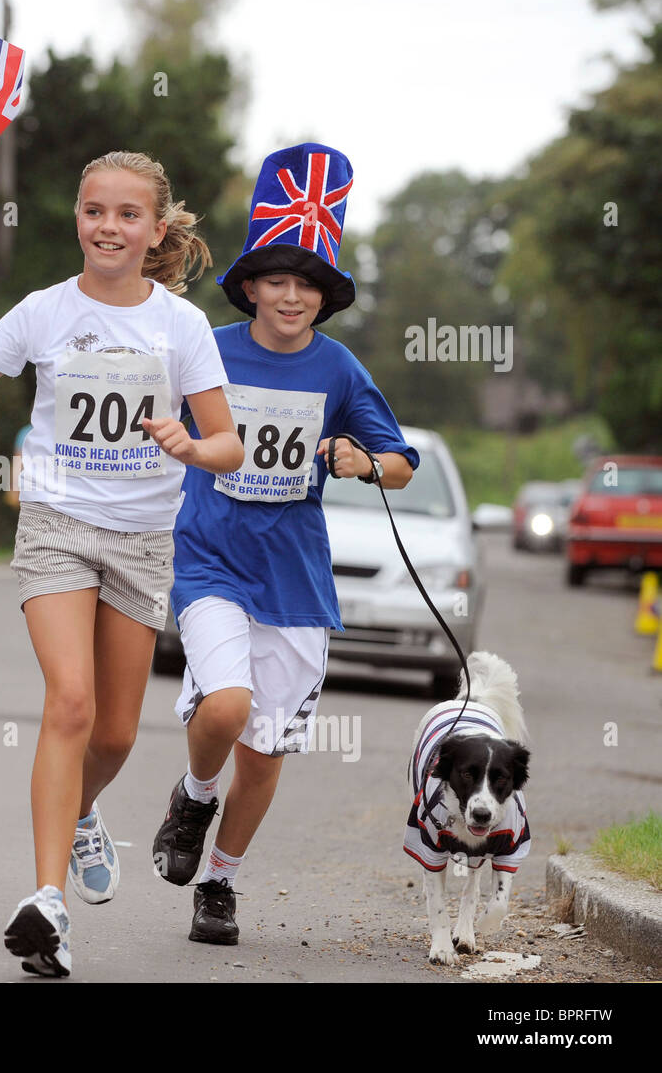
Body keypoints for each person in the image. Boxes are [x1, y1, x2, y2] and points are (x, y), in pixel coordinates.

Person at [0, 150, 243, 977]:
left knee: (113, 733)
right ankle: (49, 904)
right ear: (76, 217)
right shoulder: (43, 312)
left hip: (144, 541)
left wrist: (192, 443)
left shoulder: (180, 326)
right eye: (94, 211)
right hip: (56, 528)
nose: (108, 227)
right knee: (70, 703)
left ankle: (82, 815)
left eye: (127, 214)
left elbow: (230, 443)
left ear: (155, 229)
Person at [150, 143, 419, 946]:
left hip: (295, 579)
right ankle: (195, 796)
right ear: (251, 285)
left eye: (307, 283)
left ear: (322, 296)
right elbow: (142, 396)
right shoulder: (207, 347)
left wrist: (362, 459)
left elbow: (400, 464)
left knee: (264, 754)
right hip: (209, 561)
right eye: (277, 278)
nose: (291, 294)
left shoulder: (339, 369)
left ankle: (221, 886)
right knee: (225, 706)